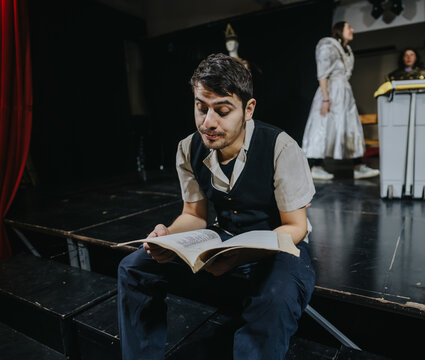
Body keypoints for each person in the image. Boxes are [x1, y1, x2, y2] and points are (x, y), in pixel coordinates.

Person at [117, 53, 316, 360]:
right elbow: (194, 216)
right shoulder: (188, 148)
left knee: (274, 299)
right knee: (133, 268)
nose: (208, 123)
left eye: (222, 111)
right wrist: (166, 234)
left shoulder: (281, 147)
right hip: (226, 239)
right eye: (201, 108)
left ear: (248, 109)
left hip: (281, 244)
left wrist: (240, 255)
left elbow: (296, 226)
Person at [302, 21, 379, 181]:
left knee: (350, 127)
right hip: (331, 91)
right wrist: (325, 98)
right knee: (324, 126)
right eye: (349, 27)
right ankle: (316, 166)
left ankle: (358, 166)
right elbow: (322, 74)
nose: (353, 30)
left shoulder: (348, 50)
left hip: (345, 92)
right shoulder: (327, 46)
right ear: (339, 30)